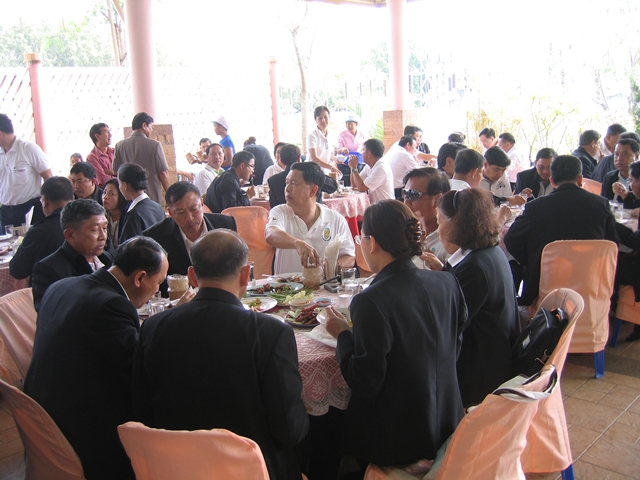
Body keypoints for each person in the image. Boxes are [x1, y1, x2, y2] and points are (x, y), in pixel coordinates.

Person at [132, 230, 308, 480]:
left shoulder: (153, 326)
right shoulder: (270, 332)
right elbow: (290, 430)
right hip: (251, 470)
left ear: (192, 276)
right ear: (246, 274)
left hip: (177, 469)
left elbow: (142, 411)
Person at [324, 200, 466, 470]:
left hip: (398, 439)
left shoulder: (371, 300)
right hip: (449, 421)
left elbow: (364, 382)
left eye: (361, 238)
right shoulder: (447, 281)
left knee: (326, 426)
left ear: (373, 243)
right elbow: (455, 345)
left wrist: (343, 335)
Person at [25, 237, 169, 480]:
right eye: (159, 282)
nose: (157, 290)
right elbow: (138, 374)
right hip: (81, 429)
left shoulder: (63, 285)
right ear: (140, 278)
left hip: (41, 416)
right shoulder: (110, 306)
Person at [426, 189, 520, 406]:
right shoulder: (488, 253)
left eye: (440, 222)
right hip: (496, 356)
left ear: (455, 225)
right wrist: (443, 272)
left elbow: (448, 325)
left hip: (480, 373)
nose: (438, 230)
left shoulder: (474, 268)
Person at [504, 155, 619, 306]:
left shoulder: (536, 207)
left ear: (552, 180)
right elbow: (612, 243)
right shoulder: (601, 204)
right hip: (590, 282)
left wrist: (532, 259)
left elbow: (512, 240)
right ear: (580, 180)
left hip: (544, 283)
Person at [143, 181, 237, 296]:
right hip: (179, 303)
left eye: (194, 209)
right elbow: (155, 284)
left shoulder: (225, 225)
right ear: (170, 212)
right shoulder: (155, 237)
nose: (189, 218)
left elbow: (235, 267)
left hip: (222, 297)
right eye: (180, 212)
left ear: (202, 204)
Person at [265, 162, 355, 274]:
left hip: (322, 284)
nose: (287, 189)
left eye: (294, 184)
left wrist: (329, 266)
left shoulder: (335, 219)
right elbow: (271, 234)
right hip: (286, 285)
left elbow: (349, 257)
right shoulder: (280, 211)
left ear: (312, 190)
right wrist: (297, 243)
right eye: (287, 183)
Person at [31, 199, 112, 312]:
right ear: (70, 235)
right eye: (94, 230)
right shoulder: (48, 269)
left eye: (104, 228)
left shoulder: (107, 259)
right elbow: (50, 314)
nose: (103, 237)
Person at [9, 177, 73, 281]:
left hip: (48, 288)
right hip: (84, 286)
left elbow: (17, 270)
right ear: (73, 198)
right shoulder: (84, 223)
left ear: (44, 201)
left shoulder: (39, 231)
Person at [0, 113, 52, 230]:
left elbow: (49, 177)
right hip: (6, 211)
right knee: (8, 242)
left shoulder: (28, 148)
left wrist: (47, 204)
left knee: (32, 240)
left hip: (30, 209)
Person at [113, 112, 170, 204]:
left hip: (128, 197)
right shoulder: (154, 145)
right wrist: (169, 195)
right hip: (151, 196)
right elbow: (163, 173)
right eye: (151, 127)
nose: (151, 130)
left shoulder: (119, 145)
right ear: (144, 125)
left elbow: (116, 172)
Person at [402, 168, 451, 267]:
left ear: (437, 200)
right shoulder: (402, 228)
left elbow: (453, 276)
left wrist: (421, 243)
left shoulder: (452, 238)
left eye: (413, 195)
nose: (406, 202)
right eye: (405, 194)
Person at [268, 144, 338, 209]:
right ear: (299, 158)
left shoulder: (273, 181)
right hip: (313, 216)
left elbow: (273, 206)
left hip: (284, 217)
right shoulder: (310, 175)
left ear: (281, 161)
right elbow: (333, 187)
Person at [118, 163, 165, 243]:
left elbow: (128, 246)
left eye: (119, 183)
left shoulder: (134, 214)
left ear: (125, 185)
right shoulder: (158, 207)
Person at [349, 138, 394, 203]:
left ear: (369, 154)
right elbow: (354, 185)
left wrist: (354, 167)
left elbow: (361, 187)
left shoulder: (381, 168)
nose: (361, 153)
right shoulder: (369, 166)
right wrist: (352, 167)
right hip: (376, 205)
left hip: (386, 206)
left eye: (363, 150)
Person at [307, 106, 342, 177]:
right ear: (315, 120)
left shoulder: (330, 134)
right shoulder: (312, 135)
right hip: (313, 171)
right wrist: (330, 167)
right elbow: (314, 158)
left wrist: (335, 160)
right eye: (320, 118)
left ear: (329, 117)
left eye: (325, 117)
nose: (323, 120)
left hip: (327, 170)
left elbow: (330, 154)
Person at [102, 178, 130, 254]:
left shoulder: (128, 217)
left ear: (121, 196)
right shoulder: (101, 216)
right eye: (104, 192)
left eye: (111, 194)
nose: (105, 197)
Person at [86, 122, 116, 187]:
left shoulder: (115, 151)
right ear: (97, 136)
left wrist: (112, 173)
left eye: (109, 132)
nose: (110, 135)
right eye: (107, 132)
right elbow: (102, 180)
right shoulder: (92, 157)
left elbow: (125, 172)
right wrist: (117, 174)